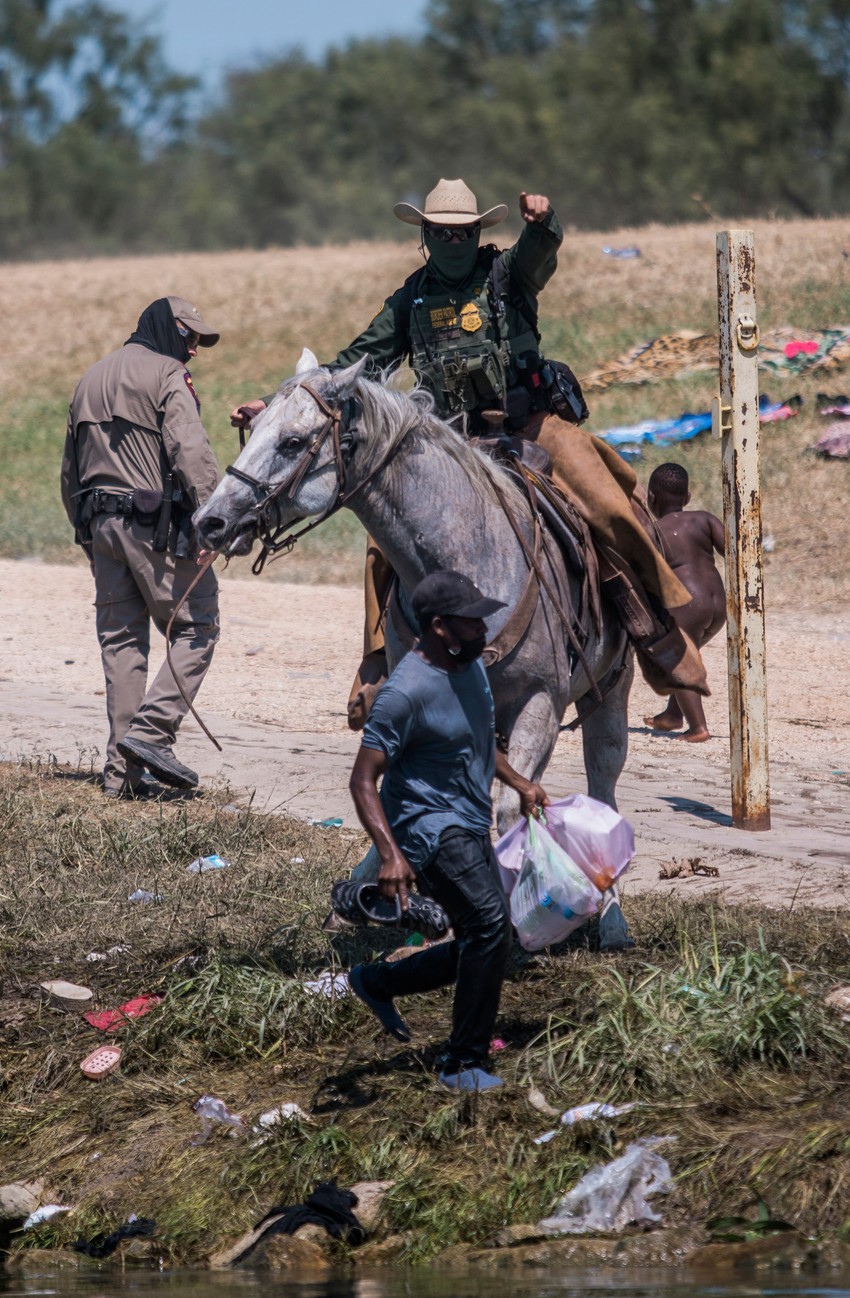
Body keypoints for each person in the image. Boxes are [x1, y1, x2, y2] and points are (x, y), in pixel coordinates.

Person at [230, 178, 707, 727]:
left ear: (478, 232)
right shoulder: (410, 298)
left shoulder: (508, 272)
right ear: (425, 236)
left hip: (530, 427)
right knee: (382, 536)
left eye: (463, 231)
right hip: (446, 441)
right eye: (441, 232)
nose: (452, 240)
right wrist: (269, 405)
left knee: (606, 497)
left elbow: (540, 251)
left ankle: (653, 629)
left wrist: (544, 221)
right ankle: (379, 661)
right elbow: (357, 359)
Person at [347, 570, 549, 1093]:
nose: (485, 629)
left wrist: (519, 782)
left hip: (468, 817)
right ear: (439, 627)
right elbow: (363, 779)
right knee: (486, 923)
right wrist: (390, 856)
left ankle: (376, 981)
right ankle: (461, 1064)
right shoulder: (405, 692)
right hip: (424, 828)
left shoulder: (471, 667)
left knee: (489, 939)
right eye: (472, 621)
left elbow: (478, 740)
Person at [61, 296, 222, 798]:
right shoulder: (167, 374)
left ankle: (121, 779)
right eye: (190, 337)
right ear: (168, 329)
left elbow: (70, 472)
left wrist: (86, 535)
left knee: (122, 645)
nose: (194, 349)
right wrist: (215, 520)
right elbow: (189, 449)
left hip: (100, 526)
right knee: (198, 626)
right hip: (153, 527)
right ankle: (152, 735)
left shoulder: (90, 377)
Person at [643, 463, 726, 742]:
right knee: (688, 652)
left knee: (677, 661)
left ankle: (698, 728)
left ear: (650, 498)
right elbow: (734, 550)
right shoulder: (704, 519)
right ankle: (672, 716)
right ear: (687, 497)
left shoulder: (654, 532)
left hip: (688, 606)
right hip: (718, 604)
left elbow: (649, 575)